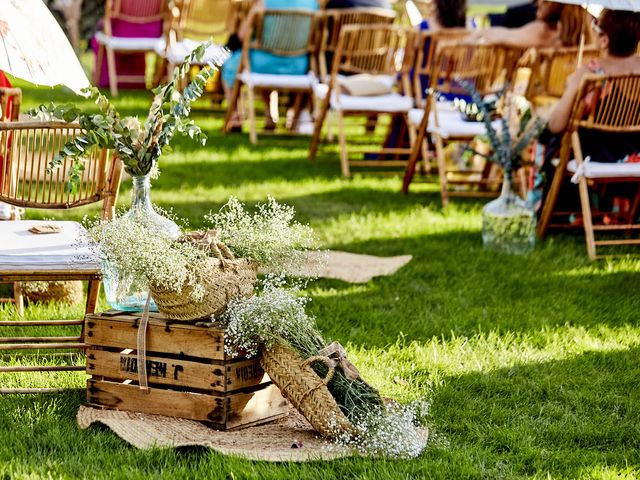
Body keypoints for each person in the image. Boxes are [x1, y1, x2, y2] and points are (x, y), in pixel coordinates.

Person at [531, 10, 640, 219]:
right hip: (635, 154)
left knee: (550, 137)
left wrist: (574, 84)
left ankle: (554, 211)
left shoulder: (591, 73)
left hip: (598, 155)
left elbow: (557, 124)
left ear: (605, 40)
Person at [222, 0, 319, 132]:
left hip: (263, 64)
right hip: (299, 67)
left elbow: (242, 35)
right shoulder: (313, 4)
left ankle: (234, 118)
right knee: (256, 58)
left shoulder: (263, 3)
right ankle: (271, 115)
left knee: (230, 64)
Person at [470, 1, 591, 49]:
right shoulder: (587, 26)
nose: (537, 2)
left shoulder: (544, 31)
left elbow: (501, 36)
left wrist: (480, 33)